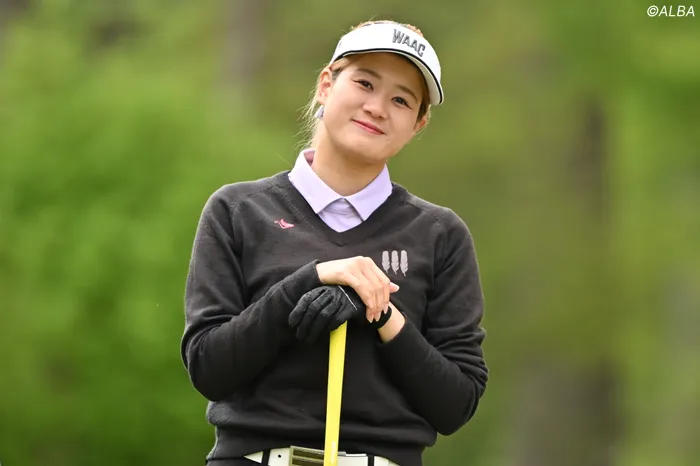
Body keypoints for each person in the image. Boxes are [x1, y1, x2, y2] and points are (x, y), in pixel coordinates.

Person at [181, 19, 488, 466]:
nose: (377, 107)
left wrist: (382, 314)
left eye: (401, 100)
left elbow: (455, 405)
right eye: (365, 83)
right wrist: (308, 282)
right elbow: (209, 369)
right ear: (326, 84)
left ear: (417, 124)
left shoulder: (441, 235)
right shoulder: (237, 211)